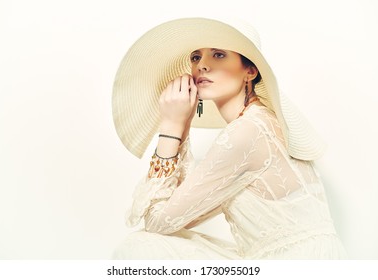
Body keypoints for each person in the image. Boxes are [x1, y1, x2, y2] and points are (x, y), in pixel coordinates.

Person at [111, 17, 347, 259]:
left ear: (250, 71)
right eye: (196, 57)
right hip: (300, 258)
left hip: (298, 264)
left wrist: (171, 124)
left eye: (218, 55)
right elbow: (179, 218)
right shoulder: (258, 122)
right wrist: (183, 126)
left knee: (140, 246)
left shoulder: (248, 131)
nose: (202, 65)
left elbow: (157, 221)